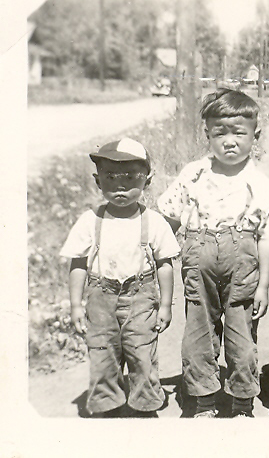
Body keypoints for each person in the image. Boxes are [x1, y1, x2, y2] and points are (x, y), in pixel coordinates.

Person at [158, 88, 269, 418]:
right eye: (219, 132)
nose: (229, 141)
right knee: (199, 330)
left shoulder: (261, 183)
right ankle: (203, 399)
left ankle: (241, 402)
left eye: (239, 132)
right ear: (207, 133)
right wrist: (161, 257)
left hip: (243, 266)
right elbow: (167, 216)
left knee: (242, 332)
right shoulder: (193, 174)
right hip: (199, 260)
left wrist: (264, 284)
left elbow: (265, 237)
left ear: (255, 135)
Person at [61, 138, 180, 418]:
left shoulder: (154, 222)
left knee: (142, 354)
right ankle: (107, 406)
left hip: (141, 297)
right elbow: (78, 263)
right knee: (103, 354)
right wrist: (76, 305)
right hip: (101, 298)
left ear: (147, 181)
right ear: (97, 181)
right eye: (110, 177)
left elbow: (165, 264)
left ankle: (145, 407)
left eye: (130, 177)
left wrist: (165, 304)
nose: (120, 185)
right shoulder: (90, 220)